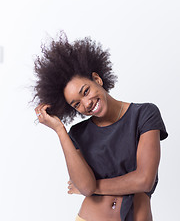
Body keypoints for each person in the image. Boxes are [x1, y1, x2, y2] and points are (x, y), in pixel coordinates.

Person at [33, 32, 168, 221]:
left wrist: (95, 187)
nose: (86, 103)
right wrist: (60, 130)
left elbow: (144, 180)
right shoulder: (78, 134)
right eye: (76, 104)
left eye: (85, 91)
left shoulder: (144, 114)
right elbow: (85, 188)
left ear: (97, 79)